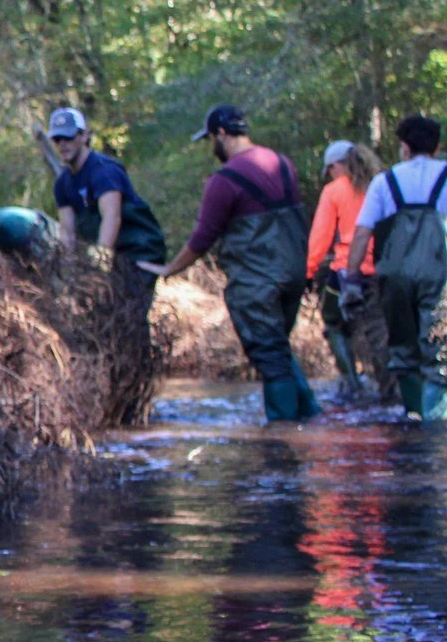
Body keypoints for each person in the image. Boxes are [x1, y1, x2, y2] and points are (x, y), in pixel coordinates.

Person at [140, 105, 320, 422]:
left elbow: (201, 239)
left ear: (221, 134)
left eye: (210, 138)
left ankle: (284, 436)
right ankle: (313, 419)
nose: (212, 147)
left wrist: (169, 270)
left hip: (257, 283)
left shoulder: (224, 181)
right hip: (294, 275)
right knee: (279, 350)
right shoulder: (283, 164)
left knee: (270, 357)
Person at [44, 107, 168, 420]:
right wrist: (68, 276)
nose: (63, 145)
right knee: (99, 319)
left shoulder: (104, 170)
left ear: (84, 137)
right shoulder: (63, 185)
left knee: (129, 314)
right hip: (110, 256)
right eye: (57, 140)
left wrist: (99, 264)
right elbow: (68, 233)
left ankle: (135, 392)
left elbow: (111, 217)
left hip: (140, 252)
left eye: (69, 138)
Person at [342, 114, 447, 420]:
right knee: (439, 351)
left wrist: (350, 280)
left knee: (403, 349)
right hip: (439, 275)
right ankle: (435, 425)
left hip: (394, 277)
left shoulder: (384, 182)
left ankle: (413, 418)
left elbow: (362, 232)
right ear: (437, 146)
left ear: (404, 147)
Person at [306, 138, 384, 400]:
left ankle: (352, 384)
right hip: (382, 270)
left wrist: (309, 270)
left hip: (345, 271)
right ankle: (387, 388)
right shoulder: (380, 184)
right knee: (380, 332)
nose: (330, 175)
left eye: (330, 170)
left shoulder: (334, 191)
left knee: (333, 323)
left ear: (338, 165)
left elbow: (321, 236)